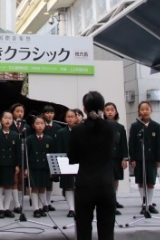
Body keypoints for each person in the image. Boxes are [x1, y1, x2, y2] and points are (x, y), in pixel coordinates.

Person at [68, 91, 116, 240]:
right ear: (102, 107)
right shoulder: (112, 127)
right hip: (106, 184)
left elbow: (72, 158)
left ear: (84, 109)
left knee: (83, 229)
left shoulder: (77, 130)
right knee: (107, 230)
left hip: (85, 185)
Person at [129, 101, 160, 215]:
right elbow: (132, 143)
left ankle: (150, 203)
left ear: (151, 111)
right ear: (139, 111)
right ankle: (143, 203)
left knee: (151, 181)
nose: (145, 111)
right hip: (139, 158)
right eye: (142, 109)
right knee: (141, 181)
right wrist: (132, 159)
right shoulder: (135, 126)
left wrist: (159, 159)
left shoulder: (156, 126)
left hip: (152, 158)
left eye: (147, 109)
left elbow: (159, 144)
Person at [0, 111, 19, 219]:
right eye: (5, 118)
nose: (7, 120)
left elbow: (17, 152)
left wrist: (17, 165)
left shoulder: (15, 135)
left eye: (10, 118)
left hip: (10, 164)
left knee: (9, 185)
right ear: (1, 120)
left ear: (12, 121)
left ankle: (7, 208)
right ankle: (1, 208)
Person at [25, 114, 53, 218]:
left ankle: (41, 207)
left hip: (45, 167)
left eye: (42, 123)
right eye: (37, 124)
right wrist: (26, 168)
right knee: (35, 187)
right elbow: (26, 155)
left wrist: (51, 169)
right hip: (33, 166)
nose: (40, 126)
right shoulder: (29, 139)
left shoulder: (49, 139)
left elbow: (51, 154)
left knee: (43, 187)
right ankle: (35, 208)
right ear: (33, 125)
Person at [103, 102, 129, 215]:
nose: (109, 112)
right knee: (105, 180)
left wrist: (124, 158)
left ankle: (113, 200)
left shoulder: (120, 127)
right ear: (104, 112)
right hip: (104, 158)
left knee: (115, 180)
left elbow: (124, 144)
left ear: (115, 112)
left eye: (112, 110)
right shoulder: (100, 126)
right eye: (107, 109)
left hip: (117, 158)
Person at [55, 108, 80, 217]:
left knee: (79, 185)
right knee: (68, 185)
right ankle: (71, 208)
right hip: (66, 162)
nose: (70, 119)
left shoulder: (81, 130)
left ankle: (79, 207)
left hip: (80, 161)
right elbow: (59, 149)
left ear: (76, 118)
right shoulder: (61, 132)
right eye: (68, 117)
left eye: (72, 117)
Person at [42, 105, 60, 212]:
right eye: (47, 112)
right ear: (43, 114)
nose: (49, 115)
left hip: (54, 156)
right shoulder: (40, 125)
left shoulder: (57, 128)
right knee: (43, 180)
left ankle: (48, 202)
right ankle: (43, 203)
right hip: (42, 156)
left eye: (51, 113)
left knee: (51, 180)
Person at [10, 103, 27, 212]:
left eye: (21, 111)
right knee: (14, 180)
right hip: (12, 156)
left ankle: (21, 203)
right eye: (17, 111)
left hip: (23, 155)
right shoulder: (9, 125)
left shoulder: (27, 126)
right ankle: (16, 204)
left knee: (22, 180)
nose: (20, 113)